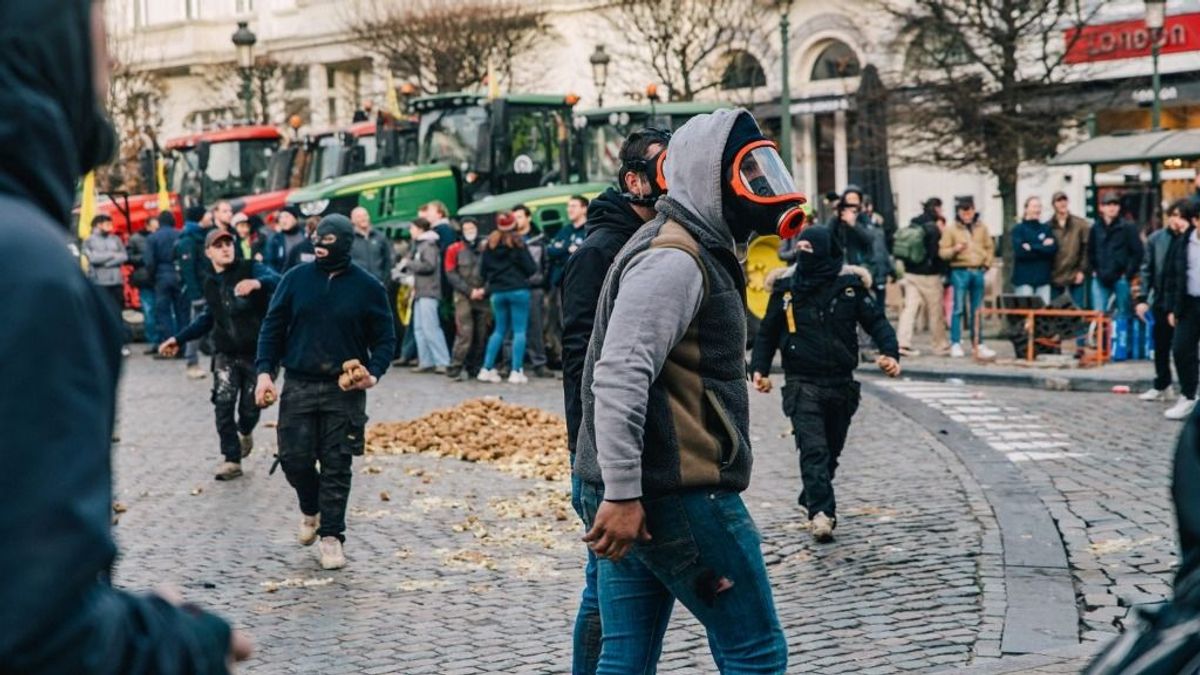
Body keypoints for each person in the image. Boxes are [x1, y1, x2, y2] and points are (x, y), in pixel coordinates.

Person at [1, 0, 250, 669]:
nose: (109, 62)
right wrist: (178, 637)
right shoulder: (27, 270)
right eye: (100, 29)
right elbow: (37, 631)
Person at [575, 109, 792, 672]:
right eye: (750, 172)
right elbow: (619, 375)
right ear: (706, 178)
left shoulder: (679, 242)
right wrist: (621, 494)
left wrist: (617, 488)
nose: (766, 187)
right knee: (756, 650)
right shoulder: (676, 257)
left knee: (625, 653)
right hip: (681, 491)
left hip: (644, 488)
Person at [560, 127, 671, 674]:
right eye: (664, 167)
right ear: (635, 180)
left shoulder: (652, 241)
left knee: (613, 591)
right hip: (602, 454)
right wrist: (592, 455)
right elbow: (581, 363)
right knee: (603, 593)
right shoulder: (599, 252)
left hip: (630, 449)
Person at [254, 214, 396, 570]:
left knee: (337, 463)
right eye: (316, 240)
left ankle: (332, 536)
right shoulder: (295, 279)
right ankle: (310, 507)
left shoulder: (368, 287)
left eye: (327, 242)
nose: (319, 247)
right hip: (299, 382)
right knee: (293, 459)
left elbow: (385, 339)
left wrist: (374, 374)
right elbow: (272, 327)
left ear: (345, 244)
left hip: (343, 389)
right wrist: (264, 373)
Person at [751, 225, 901, 541]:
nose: (807, 257)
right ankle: (821, 513)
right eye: (801, 251)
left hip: (841, 384)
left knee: (831, 451)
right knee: (814, 449)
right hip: (801, 382)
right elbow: (767, 332)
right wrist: (759, 370)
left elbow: (877, 322)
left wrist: (890, 353)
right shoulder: (787, 289)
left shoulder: (849, 287)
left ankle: (813, 494)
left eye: (811, 250)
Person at [159, 228, 280, 480]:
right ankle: (231, 459)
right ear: (208, 252)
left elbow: (279, 280)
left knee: (249, 407)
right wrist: (178, 339)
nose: (226, 248)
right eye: (219, 245)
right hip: (226, 352)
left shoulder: (250, 268)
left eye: (229, 244)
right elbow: (207, 318)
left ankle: (245, 431)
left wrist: (257, 283)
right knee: (223, 403)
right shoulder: (210, 282)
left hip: (258, 353)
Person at [1136, 200, 1189, 403]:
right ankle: (1162, 384)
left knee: (1183, 347)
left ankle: (1187, 390)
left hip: (1184, 301)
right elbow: (1147, 270)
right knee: (1161, 344)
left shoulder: (1191, 239)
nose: (1177, 220)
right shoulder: (1156, 239)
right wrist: (1142, 298)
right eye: (1174, 215)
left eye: (1181, 216)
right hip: (1161, 298)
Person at [477, 212, 537, 384]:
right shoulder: (518, 243)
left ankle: (486, 368)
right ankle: (516, 370)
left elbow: (482, 272)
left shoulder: (490, 244)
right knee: (519, 331)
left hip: (497, 292)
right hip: (518, 291)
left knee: (499, 330)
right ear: (514, 225)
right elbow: (531, 268)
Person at [940, 195, 997, 359]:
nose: (967, 214)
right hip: (960, 270)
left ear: (973, 210)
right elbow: (942, 252)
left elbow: (990, 247)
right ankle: (956, 342)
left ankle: (978, 342)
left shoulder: (982, 227)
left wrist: (987, 263)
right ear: (959, 212)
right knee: (958, 308)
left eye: (969, 210)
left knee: (976, 309)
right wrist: (954, 250)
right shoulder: (951, 229)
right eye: (963, 211)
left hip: (978, 270)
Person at [895, 197, 949, 357]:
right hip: (929, 275)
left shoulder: (914, 223)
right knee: (935, 311)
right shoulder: (933, 228)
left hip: (910, 272)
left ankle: (902, 343)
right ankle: (939, 345)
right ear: (937, 209)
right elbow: (936, 253)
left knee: (909, 309)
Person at [1163, 200, 1200, 421]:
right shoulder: (1182, 243)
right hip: (1188, 304)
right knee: (1181, 349)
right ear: (1195, 221)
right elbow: (1172, 277)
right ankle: (1188, 396)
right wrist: (1172, 309)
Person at [546, 195, 589, 367]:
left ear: (584, 208)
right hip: (558, 283)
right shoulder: (565, 230)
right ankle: (561, 358)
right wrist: (567, 249)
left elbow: (583, 254)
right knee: (554, 323)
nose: (569, 209)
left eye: (574, 206)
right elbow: (551, 250)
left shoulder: (589, 229)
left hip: (578, 285)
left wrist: (566, 251)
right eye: (568, 206)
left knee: (573, 324)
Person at [445, 217, 491, 380]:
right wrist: (469, 291)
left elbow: (493, 271)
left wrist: (484, 290)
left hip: (483, 295)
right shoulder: (454, 249)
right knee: (465, 332)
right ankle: (456, 366)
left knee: (482, 333)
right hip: (463, 295)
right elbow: (451, 273)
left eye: (472, 228)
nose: (470, 231)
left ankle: (475, 366)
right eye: (466, 228)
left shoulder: (486, 248)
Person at [405, 217, 451, 374]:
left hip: (428, 291)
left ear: (419, 229)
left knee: (431, 327)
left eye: (412, 228)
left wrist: (409, 263)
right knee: (419, 328)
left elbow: (429, 265)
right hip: (420, 291)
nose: (410, 231)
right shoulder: (420, 245)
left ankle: (443, 361)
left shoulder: (428, 245)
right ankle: (426, 361)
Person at [1088, 194, 1142, 323]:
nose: (1112, 208)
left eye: (1115, 205)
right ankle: (1102, 342)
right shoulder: (1095, 227)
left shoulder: (1128, 227)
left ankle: (1121, 342)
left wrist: (1127, 274)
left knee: (1124, 313)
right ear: (1101, 208)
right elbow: (1091, 250)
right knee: (1099, 314)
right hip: (1100, 277)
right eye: (1108, 205)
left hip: (1120, 277)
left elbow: (1138, 252)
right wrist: (1094, 269)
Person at [176, 205, 215, 379]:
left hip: (209, 288)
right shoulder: (188, 240)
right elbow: (188, 271)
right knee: (195, 328)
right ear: (200, 217)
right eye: (207, 214)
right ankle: (192, 363)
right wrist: (195, 296)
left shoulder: (202, 236)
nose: (210, 216)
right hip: (198, 293)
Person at [513, 204, 553, 377]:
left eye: (520, 216)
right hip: (514, 288)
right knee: (511, 329)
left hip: (534, 288)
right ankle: (511, 364)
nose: (516, 220)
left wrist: (541, 281)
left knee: (535, 328)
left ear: (528, 217)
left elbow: (547, 264)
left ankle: (539, 363)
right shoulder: (510, 239)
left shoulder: (539, 239)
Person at [147, 209, 189, 351]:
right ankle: (183, 346)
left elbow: (150, 262)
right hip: (179, 276)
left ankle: (168, 345)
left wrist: (152, 277)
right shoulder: (181, 235)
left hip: (161, 276)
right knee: (182, 312)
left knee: (163, 313)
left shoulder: (153, 238)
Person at [1011, 196, 1058, 304]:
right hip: (1024, 280)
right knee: (1025, 316)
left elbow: (1052, 250)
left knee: (1042, 316)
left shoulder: (1046, 229)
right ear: (1026, 208)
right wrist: (1042, 246)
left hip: (1043, 280)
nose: (1037, 209)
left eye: (1039, 206)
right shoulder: (1018, 229)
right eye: (1034, 206)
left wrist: (1031, 247)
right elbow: (1020, 253)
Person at [1047, 191, 1090, 306]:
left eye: (1064, 200)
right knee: (1056, 311)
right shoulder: (1047, 226)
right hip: (1055, 274)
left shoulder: (1080, 224)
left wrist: (1082, 270)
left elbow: (1086, 249)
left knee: (1077, 310)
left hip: (1075, 273)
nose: (1062, 203)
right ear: (1053, 204)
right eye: (1059, 201)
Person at [128, 215, 158, 353]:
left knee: (160, 310)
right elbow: (128, 257)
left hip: (159, 278)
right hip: (144, 278)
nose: (156, 229)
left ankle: (164, 339)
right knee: (149, 310)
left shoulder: (158, 237)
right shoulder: (135, 239)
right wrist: (145, 258)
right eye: (154, 227)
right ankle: (153, 340)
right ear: (147, 226)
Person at [349, 206, 393, 285]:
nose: (363, 218)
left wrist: (385, 282)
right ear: (352, 220)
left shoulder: (380, 237)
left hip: (377, 284)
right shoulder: (349, 239)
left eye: (365, 215)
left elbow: (388, 261)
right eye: (359, 216)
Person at [265, 205, 306, 272]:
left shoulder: (305, 235)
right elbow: (270, 263)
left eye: (287, 217)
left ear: (295, 219)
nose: (283, 221)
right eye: (281, 217)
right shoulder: (275, 239)